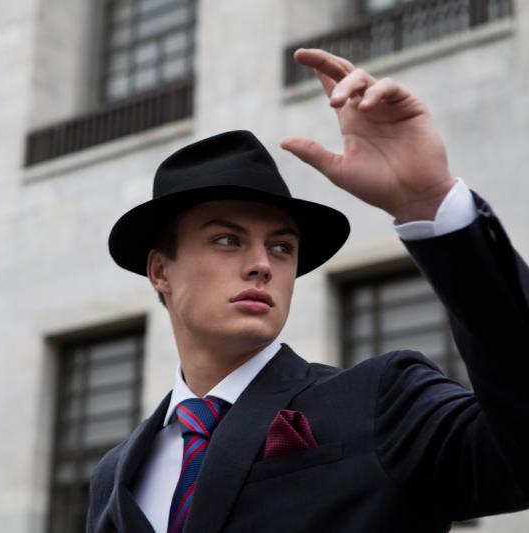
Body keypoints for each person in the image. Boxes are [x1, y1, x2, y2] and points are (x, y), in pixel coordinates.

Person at [86, 48, 529, 533]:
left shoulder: (382, 401)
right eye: (227, 240)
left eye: (281, 247)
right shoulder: (114, 475)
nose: (262, 265)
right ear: (160, 270)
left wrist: (430, 203)